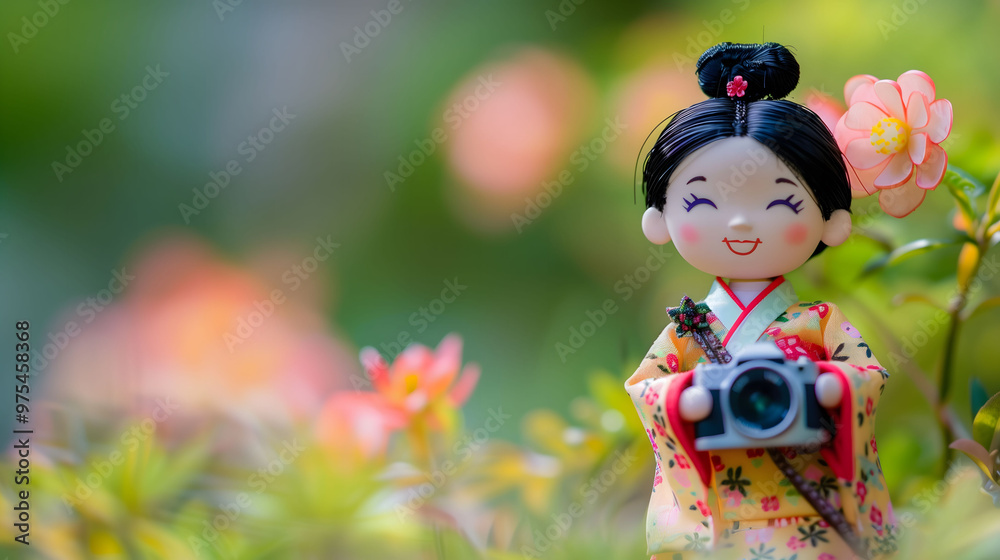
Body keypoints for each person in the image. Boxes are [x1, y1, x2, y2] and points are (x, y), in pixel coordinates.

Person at [625, 42, 898, 560]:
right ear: (660, 218)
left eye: (781, 202)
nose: (739, 222)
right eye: (701, 201)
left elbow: (867, 376)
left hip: (809, 505)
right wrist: (688, 398)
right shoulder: (689, 327)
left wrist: (827, 386)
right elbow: (646, 388)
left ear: (832, 221)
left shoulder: (819, 323)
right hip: (718, 512)